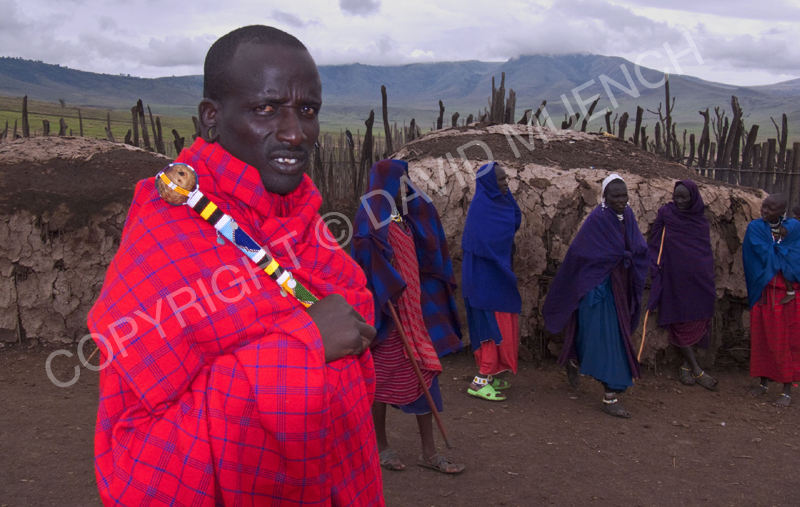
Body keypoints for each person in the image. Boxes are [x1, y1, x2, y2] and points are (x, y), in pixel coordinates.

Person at [87, 26, 384, 506]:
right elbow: (146, 435)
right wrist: (306, 344)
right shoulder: (169, 236)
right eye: (266, 108)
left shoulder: (301, 218)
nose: (295, 132)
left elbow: (350, 317)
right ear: (212, 117)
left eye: (308, 110)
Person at [351, 159, 464, 475]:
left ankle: (429, 452)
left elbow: (427, 241)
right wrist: (385, 288)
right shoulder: (369, 219)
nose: (405, 188)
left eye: (406, 182)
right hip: (389, 316)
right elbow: (364, 262)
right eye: (398, 182)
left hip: (414, 315)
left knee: (425, 375)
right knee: (379, 382)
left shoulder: (405, 217)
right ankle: (381, 445)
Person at [542, 174, 649, 418]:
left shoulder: (628, 216)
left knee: (602, 336)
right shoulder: (598, 219)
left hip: (618, 286)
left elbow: (638, 247)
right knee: (607, 339)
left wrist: (631, 257)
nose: (621, 200)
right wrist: (613, 257)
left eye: (624, 195)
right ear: (605, 197)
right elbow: (580, 252)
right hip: (597, 287)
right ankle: (610, 396)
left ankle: (573, 358)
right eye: (615, 196)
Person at [647, 180, 718, 389]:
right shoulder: (667, 214)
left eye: (684, 197)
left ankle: (686, 366)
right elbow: (655, 241)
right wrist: (656, 266)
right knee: (679, 318)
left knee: (701, 314)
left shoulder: (699, 219)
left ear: (693, 198)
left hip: (700, 276)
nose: (679, 201)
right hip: (675, 277)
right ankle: (696, 369)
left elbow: (703, 248)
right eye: (676, 196)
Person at [461, 162, 522, 401]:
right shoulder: (482, 209)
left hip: (496, 274)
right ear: (489, 183)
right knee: (491, 325)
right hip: (483, 277)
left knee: (500, 320)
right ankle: (480, 380)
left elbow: (514, 219)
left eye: (506, 178)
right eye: (500, 179)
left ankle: (491, 374)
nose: (505, 183)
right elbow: (486, 242)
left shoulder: (500, 203)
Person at [743, 193, 800, 407]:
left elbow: (795, 254)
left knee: (786, 341)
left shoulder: (793, 227)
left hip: (787, 297)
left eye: (771, 208)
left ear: (782, 212)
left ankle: (787, 389)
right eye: (764, 206)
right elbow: (759, 254)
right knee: (762, 339)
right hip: (764, 292)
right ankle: (764, 383)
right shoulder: (756, 228)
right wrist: (782, 251)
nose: (765, 211)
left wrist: (781, 251)